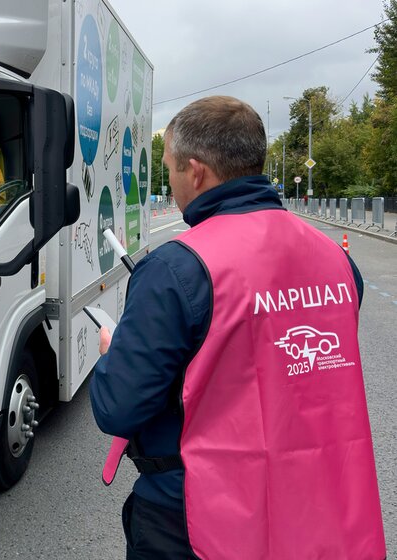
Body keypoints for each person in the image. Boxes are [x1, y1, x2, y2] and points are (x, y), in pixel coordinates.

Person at [90, 96, 385, 559]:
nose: (170, 181)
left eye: (169, 169)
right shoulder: (337, 261)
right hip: (313, 499)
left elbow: (119, 409)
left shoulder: (175, 270)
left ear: (196, 172)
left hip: (194, 514)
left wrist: (114, 353)